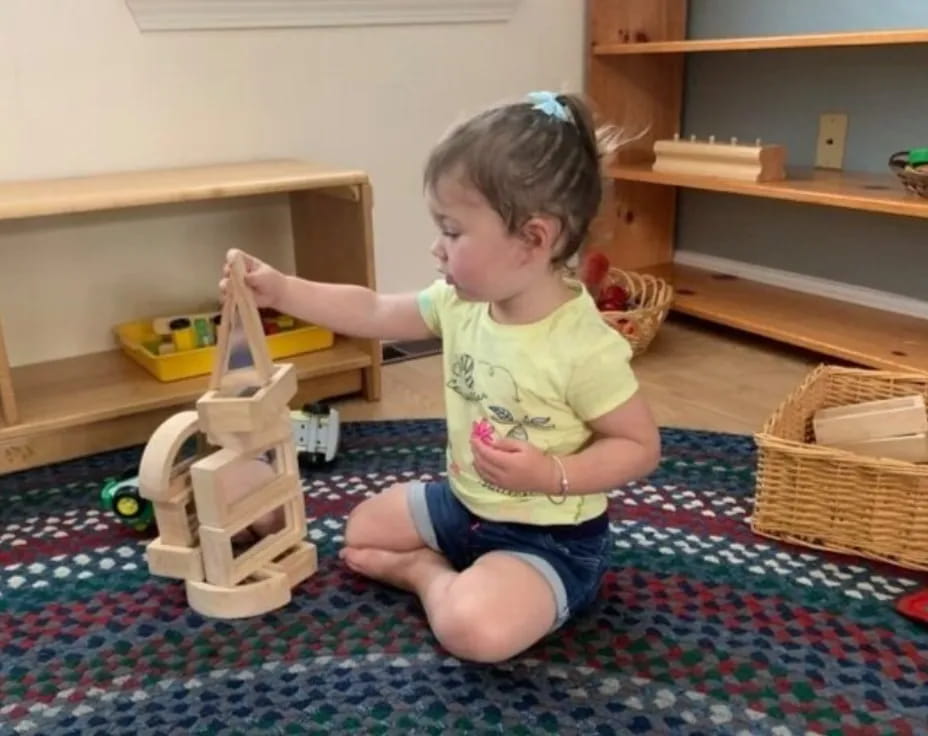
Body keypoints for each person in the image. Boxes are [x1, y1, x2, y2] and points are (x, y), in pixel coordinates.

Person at [219, 91, 661, 663]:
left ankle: (425, 576)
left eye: (452, 231)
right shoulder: (460, 304)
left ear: (534, 239)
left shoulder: (582, 347)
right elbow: (373, 311)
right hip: (462, 506)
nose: (436, 248)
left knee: (474, 632)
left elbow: (639, 446)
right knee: (361, 530)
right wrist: (281, 289)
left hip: (549, 540)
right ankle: (455, 568)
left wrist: (553, 473)